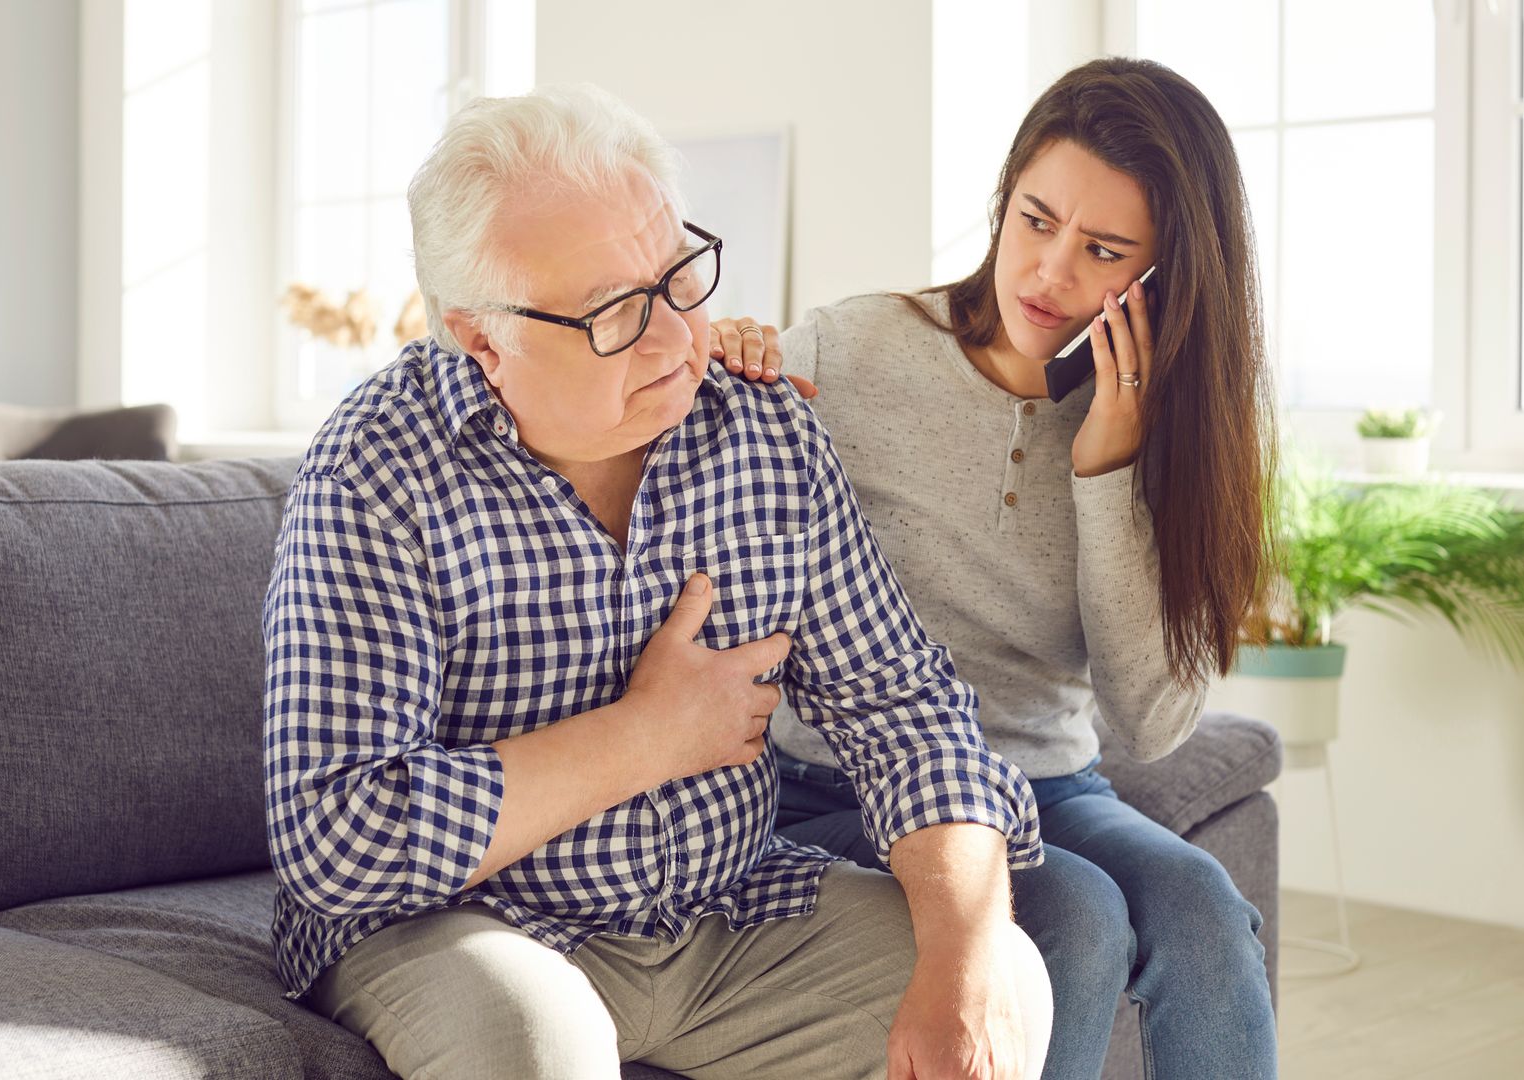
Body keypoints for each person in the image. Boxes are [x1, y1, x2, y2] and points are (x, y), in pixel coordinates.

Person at [262, 84, 1054, 1080]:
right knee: (532, 1043)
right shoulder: (377, 470)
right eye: (612, 313)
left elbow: (902, 707)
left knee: (1004, 980)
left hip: (729, 912)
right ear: (479, 340)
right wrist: (644, 739)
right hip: (458, 925)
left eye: (681, 277)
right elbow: (336, 837)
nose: (678, 339)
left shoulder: (765, 431)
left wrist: (962, 957)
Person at [712, 57, 1278, 1080]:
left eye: (1103, 250)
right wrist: (720, 357)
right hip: (842, 781)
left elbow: (1149, 723)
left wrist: (1107, 463)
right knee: (1078, 912)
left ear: (1164, 279)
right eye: (1033, 219)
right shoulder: (855, 349)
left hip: (1050, 783)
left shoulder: (1168, 433)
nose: (1048, 274)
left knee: (1201, 910)